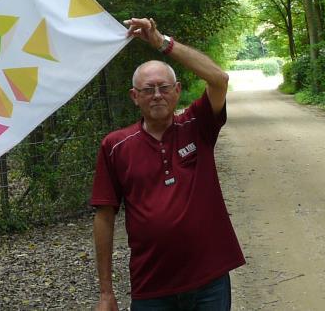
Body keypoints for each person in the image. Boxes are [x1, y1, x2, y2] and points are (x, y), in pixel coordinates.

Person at [92, 17, 245, 311]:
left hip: (209, 281)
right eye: (148, 90)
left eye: (164, 87)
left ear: (177, 91)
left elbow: (219, 79)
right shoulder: (115, 146)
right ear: (134, 97)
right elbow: (104, 216)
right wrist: (105, 292)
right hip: (152, 288)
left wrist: (163, 43)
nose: (157, 95)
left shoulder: (198, 125)